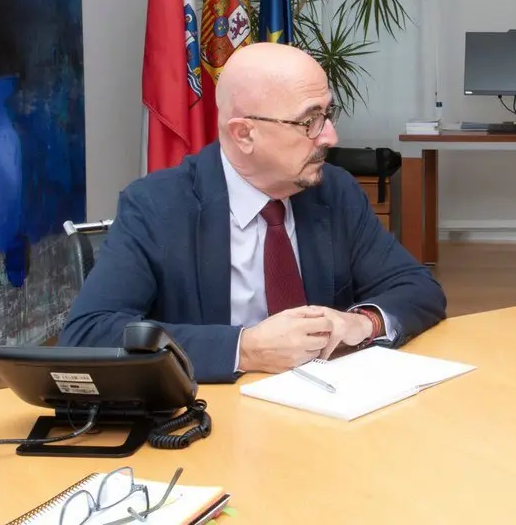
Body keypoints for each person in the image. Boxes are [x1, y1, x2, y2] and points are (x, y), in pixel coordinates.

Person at [61, 42, 447, 382]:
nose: (330, 136)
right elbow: (88, 334)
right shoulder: (156, 207)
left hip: (326, 414)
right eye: (309, 121)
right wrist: (244, 349)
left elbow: (419, 288)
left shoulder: (335, 191)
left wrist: (360, 322)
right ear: (244, 133)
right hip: (214, 422)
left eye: (328, 115)